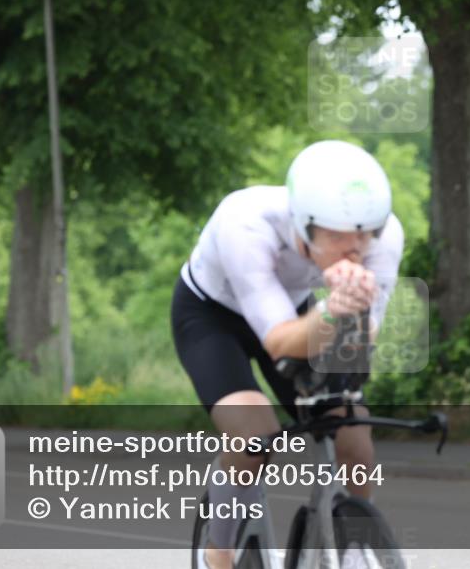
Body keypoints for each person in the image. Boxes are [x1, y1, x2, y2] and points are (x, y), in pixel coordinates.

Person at [171, 139, 404, 569]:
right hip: (213, 316)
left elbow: (360, 342)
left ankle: (354, 547)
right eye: (336, 236)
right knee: (253, 435)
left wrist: (349, 316)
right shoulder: (245, 224)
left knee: (354, 437)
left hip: (296, 309)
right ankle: (218, 551)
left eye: (363, 236)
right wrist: (333, 310)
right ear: (302, 225)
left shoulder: (384, 237)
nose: (354, 250)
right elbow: (279, 340)